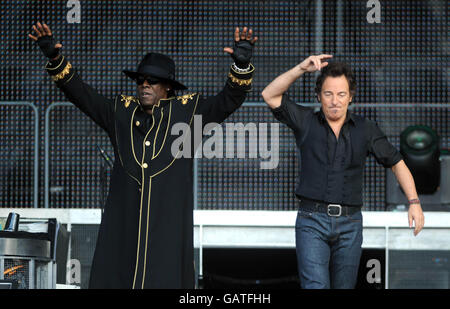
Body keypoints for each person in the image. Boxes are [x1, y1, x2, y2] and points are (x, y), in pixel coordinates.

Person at [29, 22, 257, 289]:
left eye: (152, 80)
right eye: (140, 80)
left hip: (166, 231)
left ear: (168, 87)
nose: (144, 85)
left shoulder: (188, 114)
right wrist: (55, 58)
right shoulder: (120, 112)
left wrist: (240, 66)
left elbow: (228, 100)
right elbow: (81, 94)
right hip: (123, 230)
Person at [262, 54, 424, 289]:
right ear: (319, 96)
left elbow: (396, 161)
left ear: (350, 96)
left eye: (341, 94)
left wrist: (414, 201)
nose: (334, 101)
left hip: (350, 223)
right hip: (311, 221)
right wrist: (301, 68)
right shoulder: (306, 121)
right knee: (315, 286)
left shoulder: (366, 129)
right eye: (328, 94)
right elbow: (269, 94)